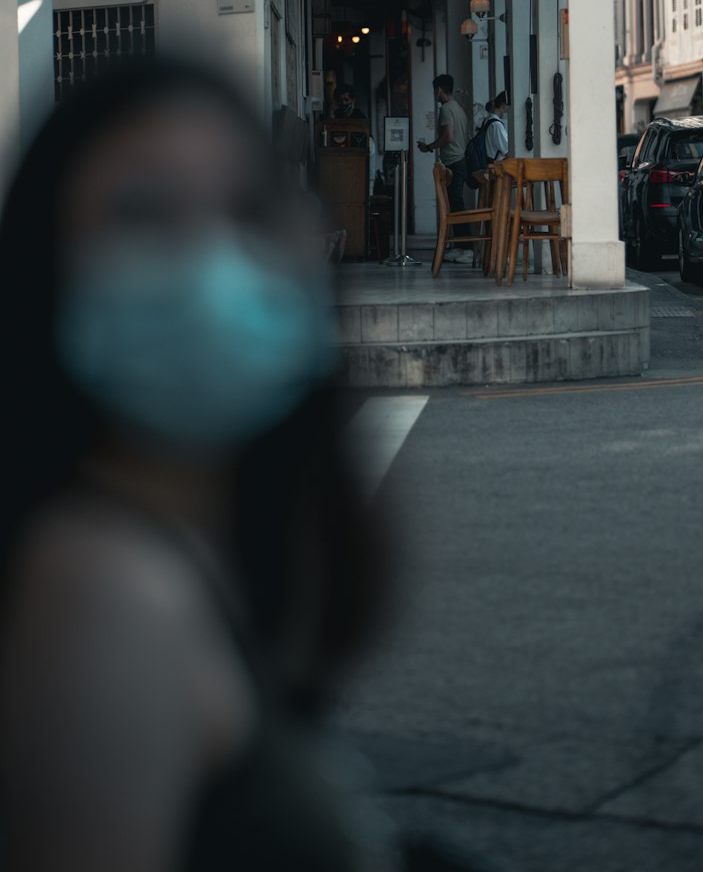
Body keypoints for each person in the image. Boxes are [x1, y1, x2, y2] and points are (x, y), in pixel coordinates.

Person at [0, 57, 413, 871]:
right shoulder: (109, 593)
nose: (211, 266)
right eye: (144, 213)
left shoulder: (198, 542)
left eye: (251, 211)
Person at [418, 74, 472, 262]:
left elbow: (448, 136)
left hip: (453, 163)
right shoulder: (459, 109)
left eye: (435, 90)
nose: (435, 94)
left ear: (439, 89)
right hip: (460, 160)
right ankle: (460, 245)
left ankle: (466, 248)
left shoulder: (446, 110)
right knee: (456, 204)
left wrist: (429, 147)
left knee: (456, 205)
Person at [484, 93, 508, 163]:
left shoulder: (487, 120)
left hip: (489, 162)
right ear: (503, 105)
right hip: (497, 166)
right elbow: (506, 150)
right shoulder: (497, 125)